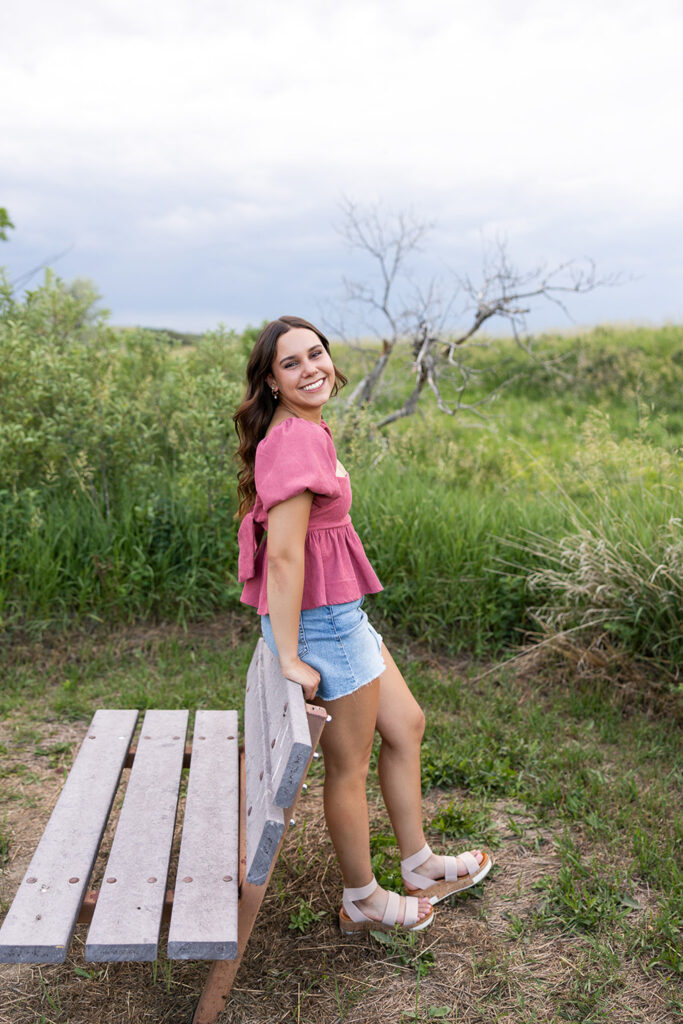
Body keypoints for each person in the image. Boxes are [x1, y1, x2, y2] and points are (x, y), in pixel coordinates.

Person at [234, 315, 492, 934]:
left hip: (341, 614)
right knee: (348, 767)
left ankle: (421, 863)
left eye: (315, 354)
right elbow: (289, 554)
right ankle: (363, 898)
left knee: (406, 724)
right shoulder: (296, 440)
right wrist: (292, 656)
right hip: (325, 626)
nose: (309, 368)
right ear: (270, 381)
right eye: (290, 363)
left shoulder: (304, 429)